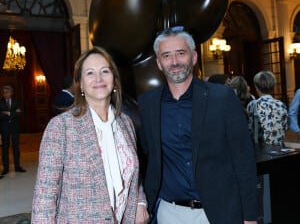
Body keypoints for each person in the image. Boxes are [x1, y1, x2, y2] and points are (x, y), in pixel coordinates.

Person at [138, 27, 258, 224]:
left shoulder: (222, 98)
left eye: (181, 53)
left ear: (193, 57)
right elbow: (147, 157)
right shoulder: (148, 104)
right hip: (170, 213)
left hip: (220, 213)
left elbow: (244, 160)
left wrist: (250, 217)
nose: (174, 62)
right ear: (159, 63)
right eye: (166, 56)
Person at [32, 47, 149, 223]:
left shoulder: (125, 123)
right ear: (80, 83)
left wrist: (140, 202)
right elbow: (45, 195)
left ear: (114, 80)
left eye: (105, 71)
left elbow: (133, 171)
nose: (98, 78)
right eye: (90, 73)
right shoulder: (61, 127)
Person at [247, 71, 288, 146]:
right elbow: (285, 127)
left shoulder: (253, 104)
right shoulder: (281, 105)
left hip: (262, 149)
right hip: (279, 148)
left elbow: (250, 129)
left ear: (256, 87)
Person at [0, 85, 26, 176]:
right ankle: (6, 168)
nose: (5, 94)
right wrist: (14, 113)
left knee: (16, 147)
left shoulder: (17, 102)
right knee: (5, 148)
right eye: (3, 92)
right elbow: (0, 116)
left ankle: (17, 166)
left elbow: (19, 114)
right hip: (4, 127)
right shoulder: (0, 103)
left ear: (11, 93)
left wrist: (7, 113)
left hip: (15, 127)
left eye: (7, 92)